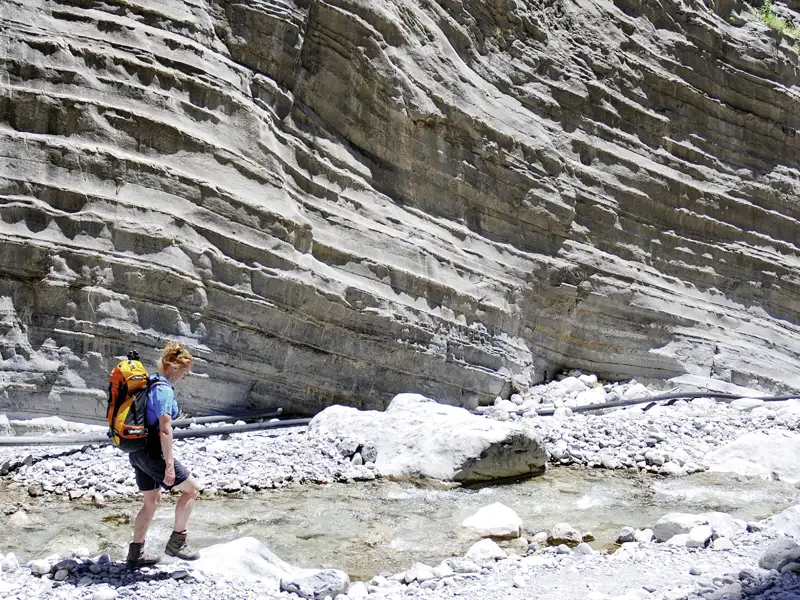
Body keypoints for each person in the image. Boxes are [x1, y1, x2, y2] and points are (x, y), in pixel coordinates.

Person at [126, 341, 202, 568]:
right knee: (192, 490)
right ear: (173, 366)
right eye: (185, 371)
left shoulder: (149, 383)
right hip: (152, 452)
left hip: (137, 451)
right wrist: (169, 465)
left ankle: (135, 554)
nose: (185, 376)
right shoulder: (163, 389)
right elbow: (165, 428)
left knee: (151, 501)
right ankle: (177, 542)